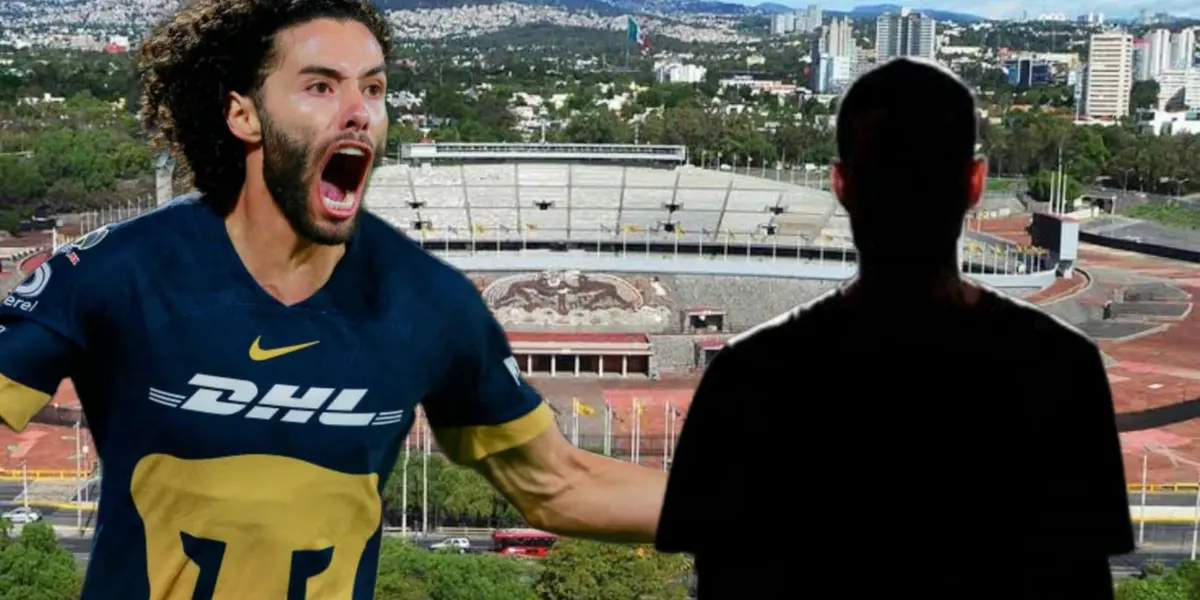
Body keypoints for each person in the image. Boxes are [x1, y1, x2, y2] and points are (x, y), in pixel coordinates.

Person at [0, 1, 666, 597]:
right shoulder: (120, 270)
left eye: (372, 88)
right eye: (320, 85)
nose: (358, 110)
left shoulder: (430, 302)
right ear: (245, 113)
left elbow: (560, 485)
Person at [655, 59, 1132, 598]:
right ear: (975, 183)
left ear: (841, 183)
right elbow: (1082, 581)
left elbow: (718, 579)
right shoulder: (1060, 369)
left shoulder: (744, 376)